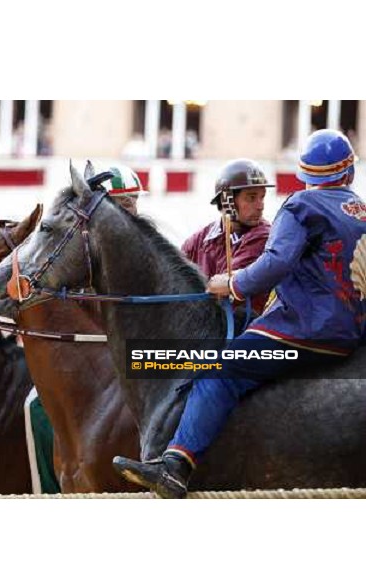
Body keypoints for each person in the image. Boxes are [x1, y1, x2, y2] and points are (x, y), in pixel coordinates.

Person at [114, 129, 366, 498]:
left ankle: (175, 467)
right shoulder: (359, 209)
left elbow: (276, 263)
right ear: (349, 173)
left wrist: (229, 284)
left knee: (219, 370)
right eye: (251, 197)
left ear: (307, 175)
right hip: (352, 330)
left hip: (309, 332)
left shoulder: (301, 206)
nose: (261, 204)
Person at [182, 159, 273, 313]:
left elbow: (221, 288)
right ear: (227, 201)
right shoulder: (200, 238)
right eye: (251, 198)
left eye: (262, 197)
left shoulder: (264, 236)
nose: (260, 205)